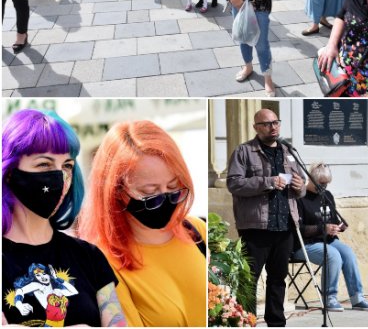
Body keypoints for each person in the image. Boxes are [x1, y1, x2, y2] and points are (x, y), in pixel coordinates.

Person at [2, 109, 126, 327]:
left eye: (67, 166)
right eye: (44, 164)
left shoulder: (89, 256)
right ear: (10, 172)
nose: (61, 178)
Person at [76, 121, 205, 327]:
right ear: (116, 191)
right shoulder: (103, 263)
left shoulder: (197, 230)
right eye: (150, 194)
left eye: (174, 189)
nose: (164, 200)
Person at [226, 109, 306, 327]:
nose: (273, 127)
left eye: (276, 123)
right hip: (256, 227)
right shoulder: (244, 151)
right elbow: (234, 183)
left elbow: (301, 186)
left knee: (278, 279)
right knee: (249, 280)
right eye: (267, 124)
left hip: (285, 225)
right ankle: (247, 322)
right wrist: (268, 182)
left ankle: (276, 322)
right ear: (256, 127)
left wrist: (300, 188)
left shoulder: (288, 150)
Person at [295, 163, 368, 311]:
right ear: (310, 179)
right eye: (321, 183)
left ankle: (357, 298)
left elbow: (332, 220)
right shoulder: (300, 197)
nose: (324, 187)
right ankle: (329, 297)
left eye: (327, 183)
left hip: (328, 240)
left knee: (348, 253)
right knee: (333, 256)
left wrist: (339, 225)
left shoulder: (327, 195)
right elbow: (299, 230)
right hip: (305, 244)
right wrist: (323, 228)